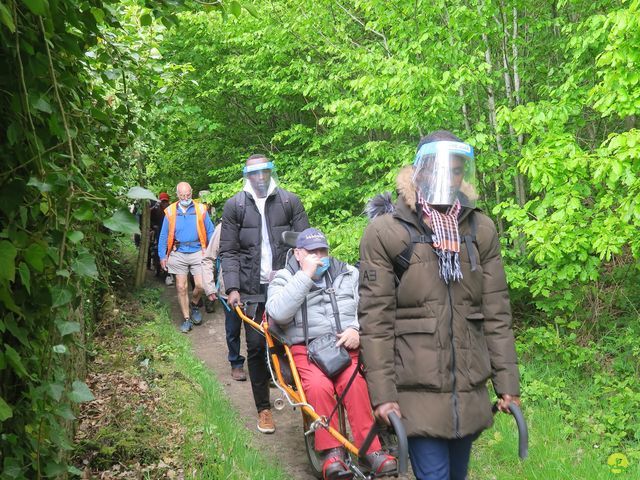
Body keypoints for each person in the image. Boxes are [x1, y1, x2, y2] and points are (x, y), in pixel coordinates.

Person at [358, 130, 521, 480]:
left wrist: (508, 385)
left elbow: (497, 313)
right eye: (439, 168)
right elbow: (376, 322)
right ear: (419, 171)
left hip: (469, 389)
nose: (449, 177)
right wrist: (383, 396)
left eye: (457, 169)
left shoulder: (481, 230)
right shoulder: (387, 233)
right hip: (414, 391)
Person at [266, 228, 397, 480]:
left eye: (322, 251)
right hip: (306, 348)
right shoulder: (284, 277)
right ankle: (331, 453)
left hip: (344, 345)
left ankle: (371, 450)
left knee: (355, 383)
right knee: (317, 386)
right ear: (297, 253)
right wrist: (305, 275)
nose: (318, 256)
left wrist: (356, 330)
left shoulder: (348, 273)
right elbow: (279, 314)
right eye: (311, 252)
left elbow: (370, 310)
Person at [220, 154, 309, 434]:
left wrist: (306, 277)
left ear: (271, 173)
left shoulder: (289, 201)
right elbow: (229, 251)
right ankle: (264, 409)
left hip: (286, 286)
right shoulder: (235, 206)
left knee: (295, 345)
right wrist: (233, 288)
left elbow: (305, 243)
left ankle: (307, 408)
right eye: (254, 173)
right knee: (257, 349)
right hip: (251, 289)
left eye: (264, 172)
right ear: (248, 175)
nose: (260, 178)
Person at [158, 182, 215, 333]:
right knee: (181, 287)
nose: (185, 197)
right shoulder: (170, 211)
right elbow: (163, 235)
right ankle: (187, 318)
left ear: (192, 193)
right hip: (178, 251)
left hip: (198, 250)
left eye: (188, 195)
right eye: (182, 195)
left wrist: (212, 250)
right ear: (177, 195)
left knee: (201, 285)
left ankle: (195, 304)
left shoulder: (200, 209)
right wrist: (162, 255)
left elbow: (210, 231)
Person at [202, 222, 247, 381]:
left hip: (254, 289)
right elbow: (208, 258)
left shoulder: (261, 219)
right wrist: (209, 286)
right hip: (228, 289)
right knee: (233, 329)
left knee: (258, 332)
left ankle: (265, 368)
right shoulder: (224, 227)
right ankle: (235, 363)